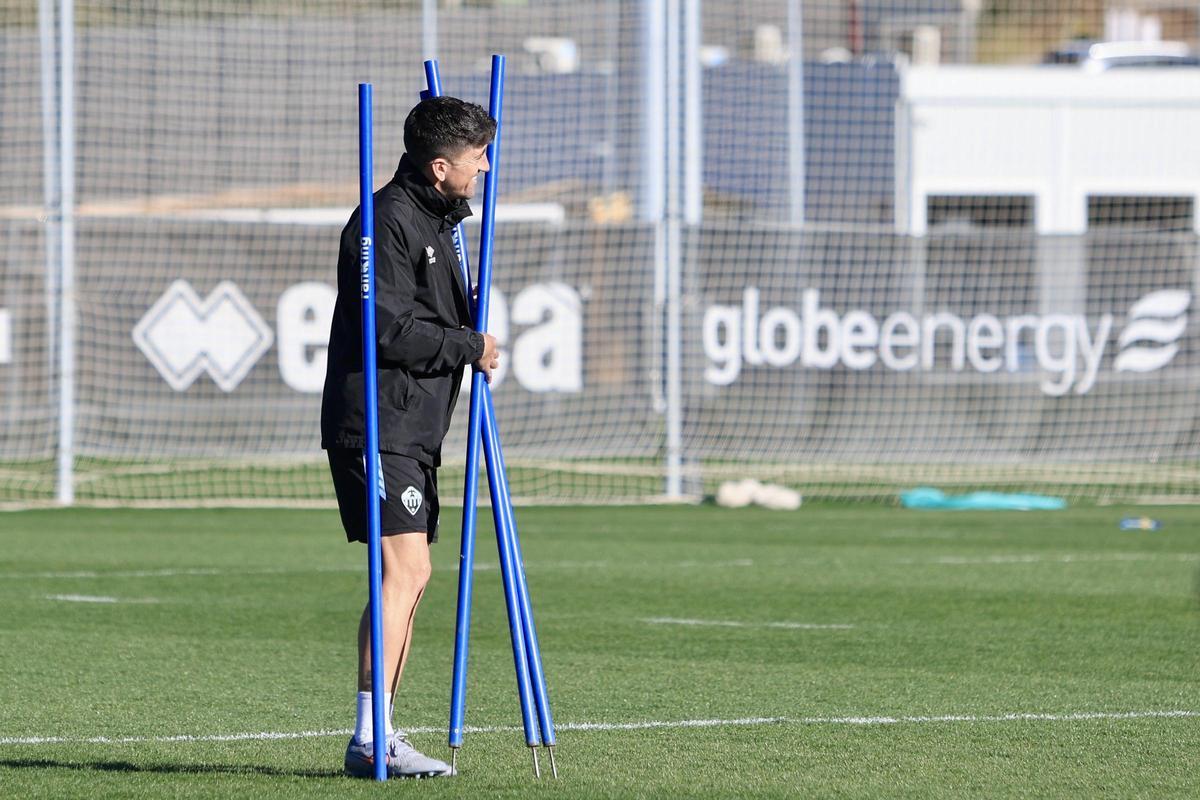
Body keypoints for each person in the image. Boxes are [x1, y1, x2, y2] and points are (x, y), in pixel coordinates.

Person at [321, 95, 500, 779]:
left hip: (415, 427)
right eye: (474, 159)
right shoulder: (384, 222)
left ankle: (378, 732)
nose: (483, 167)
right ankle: (372, 738)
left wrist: (466, 321)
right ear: (437, 167)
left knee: (411, 575)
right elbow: (385, 328)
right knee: (407, 572)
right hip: (378, 422)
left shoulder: (438, 219)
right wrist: (467, 343)